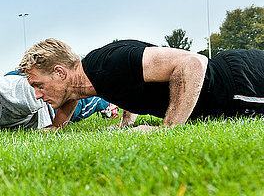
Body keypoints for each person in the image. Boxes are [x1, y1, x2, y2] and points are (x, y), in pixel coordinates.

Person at [17, 38, 264, 131]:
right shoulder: (84, 80)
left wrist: (167, 129)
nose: (37, 95)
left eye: (39, 85)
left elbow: (192, 64)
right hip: (236, 80)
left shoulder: (109, 63)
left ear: (60, 72)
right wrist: (57, 127)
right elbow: (69, 98)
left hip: (238, 84)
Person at [0, 66, 114, 134]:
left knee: (88, 98)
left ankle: (107, 104)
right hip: (12, 81)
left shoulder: (24, 95)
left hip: (41, 103)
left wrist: (57, 126)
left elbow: (72, 91)